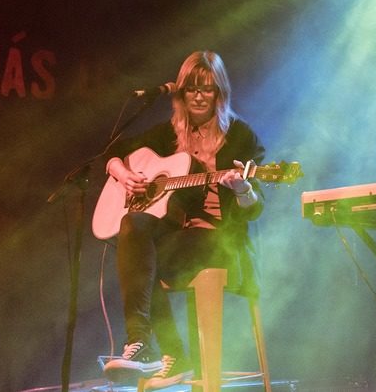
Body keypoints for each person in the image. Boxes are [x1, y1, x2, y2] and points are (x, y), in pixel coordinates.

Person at [101, 51, 265, 389]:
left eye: (207, 89)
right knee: (133, 224)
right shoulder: (167, 135)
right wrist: (123, 174)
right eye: (191, 89)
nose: (199, 96)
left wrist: (242, 189)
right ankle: (143, 343)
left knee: (140, 260)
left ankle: (173, 353)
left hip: (221, 241)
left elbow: (255, 207)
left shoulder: (240, 135)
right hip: (178, 240)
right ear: (180, 93)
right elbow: (109, 155)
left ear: (220, 93)